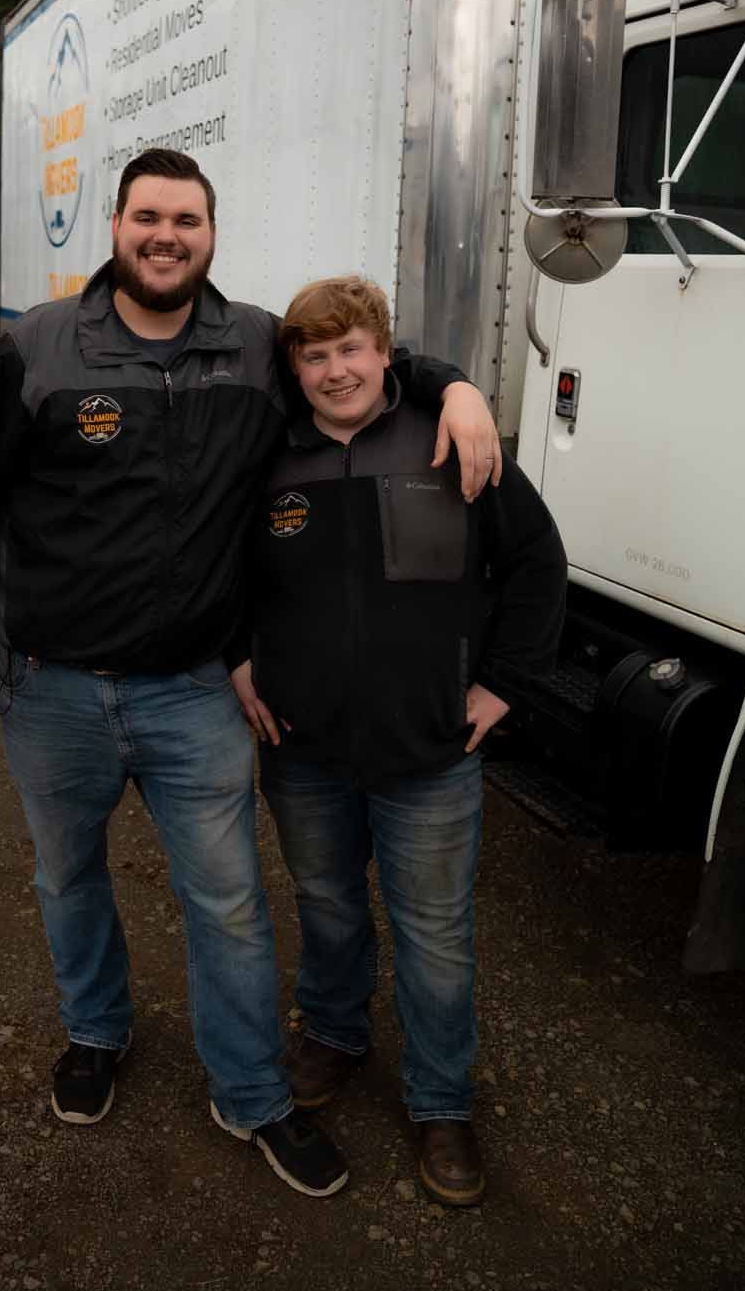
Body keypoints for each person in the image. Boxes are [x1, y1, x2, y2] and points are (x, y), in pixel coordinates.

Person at [0, 149, 501, 1200]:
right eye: (147, 217)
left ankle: (253, 1095)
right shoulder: (40, 348)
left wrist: (455, 386)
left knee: (228, 902)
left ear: (213, 234)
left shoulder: (253, 348)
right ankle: (95, 1034)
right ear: (118, 229)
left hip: (193, 691)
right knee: (68, 876)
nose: (165, 236)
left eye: (186, 219)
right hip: (53, 688)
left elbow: (360, 365)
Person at [231, 274, 566, 1207]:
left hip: (431, 753)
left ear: (386, 354)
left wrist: (503, 686)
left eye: (353, 350)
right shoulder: (267, 458)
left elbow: (537, 564)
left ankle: (440, 1101)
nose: (337, 371)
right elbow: (218, 572)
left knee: (435, 936)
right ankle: (334, 1033)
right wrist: (235, 660)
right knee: (329, 906)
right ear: (293, 368)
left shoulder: (448, 436)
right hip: (303, 751)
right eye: (315, 355)